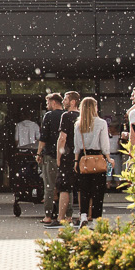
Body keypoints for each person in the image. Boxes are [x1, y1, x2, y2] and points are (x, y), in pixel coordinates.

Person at [66, 96, 110, 227]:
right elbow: (105, 144)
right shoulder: (101, 123)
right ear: (94, 107)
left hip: (83, 159)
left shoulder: (78, 124)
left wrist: (75, 161)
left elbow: (76, 145)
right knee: (98, 191)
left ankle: (83, 215)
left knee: (83, 190)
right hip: (97, 158)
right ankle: (96, 219)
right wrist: (108, 158)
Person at [53, 91, 82, 226]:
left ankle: (61, 218)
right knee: (81, 187)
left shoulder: (66, 116)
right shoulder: (82, 116)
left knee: (64, 188)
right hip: (81, 156)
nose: (63, 101)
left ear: (73, 102)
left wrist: (59, 156)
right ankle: (83, 217)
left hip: (68, 156)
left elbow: (62, 138)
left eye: (65, 99)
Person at [37, 93, 65, 228]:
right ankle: (66, 215)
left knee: (49, 186)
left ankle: (48, 215)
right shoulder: (66, 115)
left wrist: (38, 153)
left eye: (48, 103)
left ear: (54, 102)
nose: (47, 106)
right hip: (65, 155)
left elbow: (43, 137)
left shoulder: (48, 116)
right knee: (65, 187)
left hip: (50, 155)